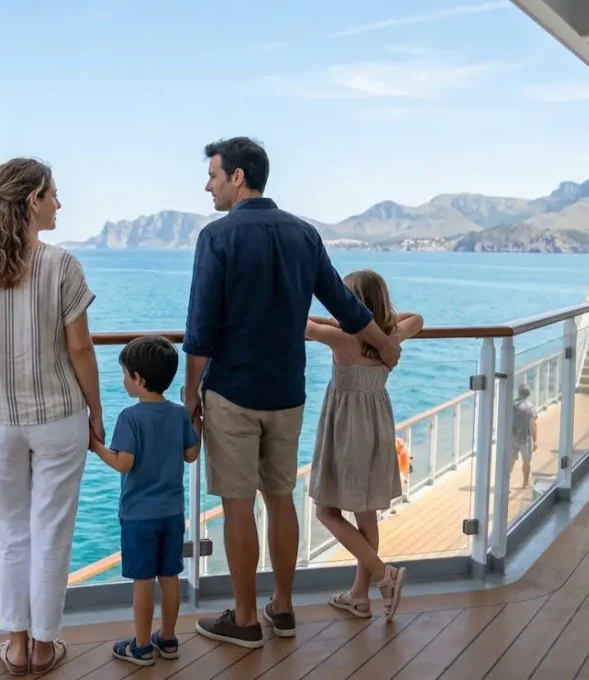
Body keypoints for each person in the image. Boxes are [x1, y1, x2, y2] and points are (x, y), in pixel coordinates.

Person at [183, 137, 402, 649]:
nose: (208, 185)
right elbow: (348, 307)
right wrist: (385, 346)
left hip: (233, 391)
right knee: (280, 499)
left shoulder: (216, 237)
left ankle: (243, 619)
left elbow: (200, 329)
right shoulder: (304, 235)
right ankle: (282, 610)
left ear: (238, 177)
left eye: (213, 175)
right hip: (288, 393)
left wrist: (190, 395)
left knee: (238, 506)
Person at [0, 158, 102, 676]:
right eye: (54, 194)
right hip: (58, 414)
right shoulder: (61, 265)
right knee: (51, 531)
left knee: (11, 533)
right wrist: (97, 413)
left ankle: (15, 647)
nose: (60, 204)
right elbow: (80, 350)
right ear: (33, 199)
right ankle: (44, 647)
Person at [304, 270, 423, 621]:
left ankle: (385, 576)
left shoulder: (342, 339)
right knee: (366, 510)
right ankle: (359, 596)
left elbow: (297, 319)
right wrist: (380, 321)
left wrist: (339, 317)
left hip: (346, 431)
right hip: (378, 427)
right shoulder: (392, 335)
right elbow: (418, 317)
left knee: (326, 512)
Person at [89, 336, 200, 667]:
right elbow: (191, 455)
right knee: (169, 578)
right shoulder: (179, 414)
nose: (123, 381)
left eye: (125, 374)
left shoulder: (130, 417)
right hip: (172, 513)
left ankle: (140, 646)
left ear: (138, 378)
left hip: (139, 516)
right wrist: (198, 422)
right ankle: (167, 639)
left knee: (142, 582)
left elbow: (124, 463)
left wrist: (95, 447)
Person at [511, 384, 539, 490]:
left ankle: (506, 483)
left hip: (511, 436)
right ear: (528, 393)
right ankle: (525, 483)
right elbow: (533, 425)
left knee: (510, 461)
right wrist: (535, 440)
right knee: (526, 461)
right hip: (525, 437)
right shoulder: (530, 407)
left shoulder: (511, 404)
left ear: (519, 392)